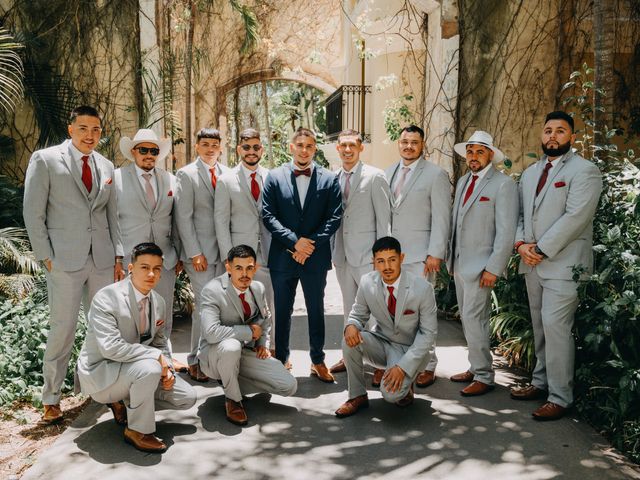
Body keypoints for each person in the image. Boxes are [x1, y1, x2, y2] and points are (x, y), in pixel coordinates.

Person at [23, 105, 124, 423]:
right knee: (62, 329)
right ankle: (51, 398)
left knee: (104, 329)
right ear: (71, 129)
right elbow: (33, 213)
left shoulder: (106, 165)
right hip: (63, 262)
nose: (90, 135)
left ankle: (105, 392)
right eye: (83, 128)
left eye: (96, 129)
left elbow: (112, 217)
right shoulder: (46, 160)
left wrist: (119, 256)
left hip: (103, 261)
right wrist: (46, 257)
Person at [511, 111, 602, 421]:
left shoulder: (585, 171)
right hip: (532, 262)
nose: (552, 136)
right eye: (548, 130)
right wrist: (522, 245)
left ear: (571, 138)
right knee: (539, 326)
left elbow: (576, 218)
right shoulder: (529, 173)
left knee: (556, 327)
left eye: (560, 131)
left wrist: (541, 248)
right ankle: (539, 383)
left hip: (564, 264)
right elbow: (521, 215)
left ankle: (560, 397)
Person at [76, 242, 197, 453]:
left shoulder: (158, 302)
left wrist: (167, 367)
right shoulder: (107, 298)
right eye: (144, 267)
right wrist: (156, 358)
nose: (151, 274)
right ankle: (138, 430)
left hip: (134, 369)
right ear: (131, 268)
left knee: (186, 398)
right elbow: (110, 348)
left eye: (157, 269)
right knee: (150, 368)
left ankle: (126, 400)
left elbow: (160, 343)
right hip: (102, 372)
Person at [262, 127, 342, 382]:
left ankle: (317, 360)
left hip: (315, 258)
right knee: (282, 311)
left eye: (309, 145)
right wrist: (294, 242)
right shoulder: (274, 177)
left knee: (316, 310)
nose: (304, 150)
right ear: (291, 147)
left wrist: (310, 245)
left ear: (314, 149)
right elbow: (268, 215)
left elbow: (334, 217)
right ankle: (282, 360)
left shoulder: (330, 179)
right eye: (300, 145)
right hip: (283, 257)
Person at [447, 131, 518, 396]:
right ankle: (476, 366)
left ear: (490, 154)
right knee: (467, 318)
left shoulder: (503, 185)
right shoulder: (465, 180)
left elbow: (506, 231)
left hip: (482, 267)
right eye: (470, 151)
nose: (473, 156)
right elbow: (457, 222)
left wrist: (494, 268)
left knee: (475, 318)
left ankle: (484, 376)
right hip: (459, 263)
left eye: (479, 151)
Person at [335, 236, 437, 417]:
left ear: (401, 258)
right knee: (349, 340)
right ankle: (357, 396)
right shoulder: (367, 282)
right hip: (382, 343)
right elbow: (358, 314)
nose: (387, 267)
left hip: (410, 349)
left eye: (392, 260)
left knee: (391, 395)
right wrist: (351, 324)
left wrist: (403, 367)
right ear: (374, 262)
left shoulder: (422, 288)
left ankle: (407, 381)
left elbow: (428, 335)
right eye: (380, 261)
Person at [198, 245, 297, 426]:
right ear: (228, 268)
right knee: (231, 346)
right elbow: (211, 333)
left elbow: (264, 321)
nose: (245, 274)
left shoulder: (257, 288)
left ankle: (230, 380)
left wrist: (261, 344)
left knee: (288, 385)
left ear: (255, 268)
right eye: (238, 268)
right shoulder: (212, 290)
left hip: (244, 353)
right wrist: (249, 332)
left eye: (249, 268)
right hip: (215, 354)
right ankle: (233, 400)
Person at [385, 125, 451, 388]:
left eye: (414, 142)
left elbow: (442, 217)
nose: (409, 146)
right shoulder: (388, 172)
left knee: (423, 312)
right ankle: (398, 361)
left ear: (422, 145)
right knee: (395, 313)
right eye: (404, 141)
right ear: (398, 144)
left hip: (422, 256)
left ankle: (428, 365)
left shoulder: (436, 175)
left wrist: (435, 253)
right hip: (394, 257)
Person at [114, 128, 183, 367]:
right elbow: (110, 220)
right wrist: (117, 256)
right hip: (130, 261)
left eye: (153, 151)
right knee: (131, 316)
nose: (148, 155)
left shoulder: (170, 180)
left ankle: (166, 364)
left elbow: (178, 220)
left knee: (161, 316)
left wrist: (178, 253)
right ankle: (134, 367)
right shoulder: (117, 179)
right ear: (133, 152)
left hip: (165, 259)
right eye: (143, 150)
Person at [329, 129, 391, 374]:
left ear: (360, 147)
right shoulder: (332, 178)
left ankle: (380, 363)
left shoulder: (375, 176)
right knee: (349, 309)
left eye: (352, 145)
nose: (347, 150)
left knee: (376, 311)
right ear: (337, 148)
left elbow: (384, 221)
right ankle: (349, 355)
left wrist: (382, 258)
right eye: (343, 145)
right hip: (342, 256)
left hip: (368, 257)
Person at [175, 128, 230, 381]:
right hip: (200, 255)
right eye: (205, 144)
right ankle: (195, 359)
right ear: (197, 146)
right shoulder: (186, 175)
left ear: (221, 147)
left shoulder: (227, 174)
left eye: (215, 145)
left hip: (224, 253)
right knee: (203, 307)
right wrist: (195, 252)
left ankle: (214, 358)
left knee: (220, 307)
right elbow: (183, 218)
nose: (210, 149)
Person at [214, 128, 274, 350]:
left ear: (262, 149)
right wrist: (229, 259)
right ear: (239, 149)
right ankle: (238, 350)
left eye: (256, 147)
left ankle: (266, 347)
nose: (251, 151)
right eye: (246, 147)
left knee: (268, 303)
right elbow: (220, 221)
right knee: (238, 304)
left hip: (268, 252)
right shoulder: (226, 180)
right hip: (239, 255)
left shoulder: (272, 177)